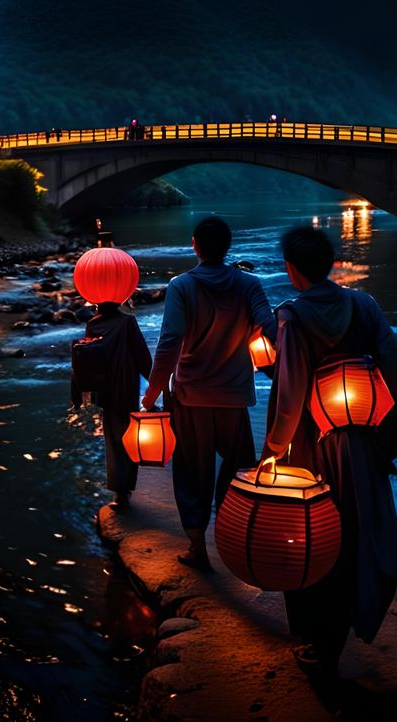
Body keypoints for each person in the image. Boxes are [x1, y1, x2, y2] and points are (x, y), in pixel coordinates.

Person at [262, 227, 397, 677]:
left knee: (313, 540)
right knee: (360, 532)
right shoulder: (363, 305)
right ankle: (347, 626)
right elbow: (393, 360)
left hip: (313, 446)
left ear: (292, 269)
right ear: (329, 264)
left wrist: (272, 450)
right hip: (364, 440)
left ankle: (317, 642)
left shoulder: (291, 317)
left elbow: (290, 395)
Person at [141, 216, 274, 570]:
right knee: (239, 470)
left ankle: (197, 548)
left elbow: (169, 341)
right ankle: (237, 543)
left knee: (192, 472)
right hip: (234, 397)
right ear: (227, 246)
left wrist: (152, 391)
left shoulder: (182, 286)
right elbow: (271, 325)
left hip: (191, 396)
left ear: (194, 244)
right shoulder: (250, 284)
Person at [71, 297, 152, 509]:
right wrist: (156, 384)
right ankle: (124, 490)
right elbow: (142, 357)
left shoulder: (93, 324)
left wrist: (79, 393)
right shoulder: (127, 322)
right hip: (126, 386)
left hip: (104, 388)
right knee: (127, 436)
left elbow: (85, 358)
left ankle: (119, 493)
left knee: (113, 439)